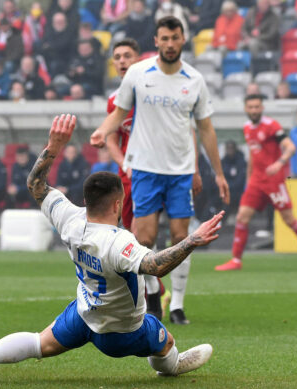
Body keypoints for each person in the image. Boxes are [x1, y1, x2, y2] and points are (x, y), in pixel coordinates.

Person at [0, 114, 221, 383]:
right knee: (164, 340)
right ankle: (171, 366)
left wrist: (54, 146)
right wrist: (191, 240)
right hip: (121, 333)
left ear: (86, 200)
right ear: (117, 204)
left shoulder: (69, 217)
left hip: (83, 315)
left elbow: (35, 184)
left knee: (40, 344)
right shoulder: (119, 242)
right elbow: (156, 265)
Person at [90, 17, 230, 325]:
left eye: (174, 38)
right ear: (156, 41)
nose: (169, 43)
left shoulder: (194, 80)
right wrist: (103, 131)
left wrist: (217, 172)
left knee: (182, 237)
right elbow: (120, 112)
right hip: (145, 168)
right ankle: (153, 296)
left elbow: (205, 129)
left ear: (183, 40)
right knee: (145, 237)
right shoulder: (139, 73)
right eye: (164, 38)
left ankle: (177, 305)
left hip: (179, 171)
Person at [215, 95, 297, 273]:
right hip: (257, 181)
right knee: (242, 217)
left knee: (288, 219)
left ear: (262, 108)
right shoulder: (247, 127)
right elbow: (252, 156)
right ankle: (236, 260)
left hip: (274, 181)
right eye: (251, 107)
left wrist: (279, 163)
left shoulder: (271, 125)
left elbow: (291, 147)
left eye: (257, 107)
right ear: (246, 109)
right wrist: (249, 181)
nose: (254, 110)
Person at [104, 38, 168, 320]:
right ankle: (152, 290)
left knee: (137, 237)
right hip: (127, 176)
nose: (121, 61)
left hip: (154, 172)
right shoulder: (114, 101)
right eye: (117, 56)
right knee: (131, 238)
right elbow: (111, 139)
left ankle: (151, 295)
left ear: (137, 59)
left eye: (126, 55)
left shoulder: (152, 94)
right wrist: (124, 164)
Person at [221, 140, 247, 214]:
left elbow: (241, 179)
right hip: (227, 190)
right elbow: (222, 177)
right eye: (228, 148)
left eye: (231, 148)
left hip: (239, 191)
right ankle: (221, 221)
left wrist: (230, 186)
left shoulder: (241, 161)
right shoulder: (223, 161)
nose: (229, 150)